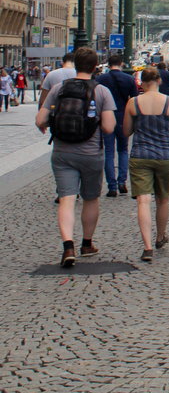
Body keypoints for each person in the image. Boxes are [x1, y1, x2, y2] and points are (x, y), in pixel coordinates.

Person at [34, 47, 118, 268]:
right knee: (90, 198)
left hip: (62, 152)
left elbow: (40, 118)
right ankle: (87, 244)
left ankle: (68, 245)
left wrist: (48, 123)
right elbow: (109, 128)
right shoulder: (101, 91)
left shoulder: (59, 88)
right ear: (94, 67)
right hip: (91, 153)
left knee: (67, 199)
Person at [124, 66, 169, 262]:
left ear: (141, 82)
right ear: (159, 81)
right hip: (165, 155)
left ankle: (147, 247)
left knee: (143, 200)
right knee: (163, 199)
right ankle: (160, 236)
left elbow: (126, 131)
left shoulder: (133, 103)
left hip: (140, 155)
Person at [96, 54, 139, 198]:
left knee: (108, 151)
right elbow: (134, 99)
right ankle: (122, 182)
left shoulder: (101, 79)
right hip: (123, 117)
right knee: (123, 150)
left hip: (106, 116)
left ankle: (112, 186)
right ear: (121, 63)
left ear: (108, 64)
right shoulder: (129, 79)